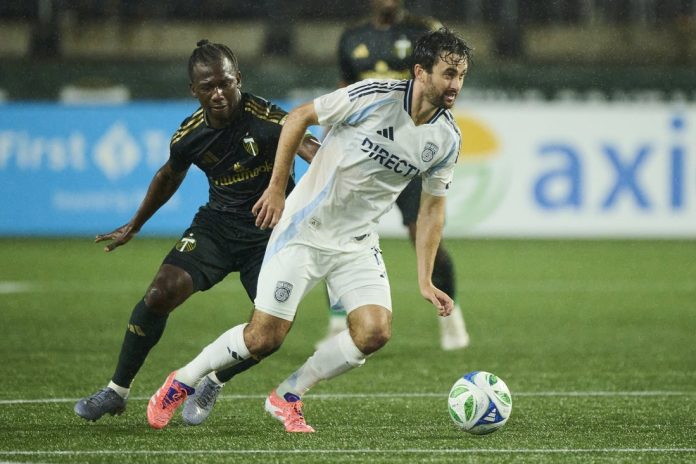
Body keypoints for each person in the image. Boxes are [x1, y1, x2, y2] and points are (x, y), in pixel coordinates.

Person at [146, 28, 472, 433]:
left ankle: (288, 394)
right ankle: (183, 380)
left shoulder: (446, 138)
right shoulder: (373, 96)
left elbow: (433, 208)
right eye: (448, 74)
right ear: (421, 72)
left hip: (357, 241)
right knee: (264, 338)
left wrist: (425, 278)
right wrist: (276, 188)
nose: (456, 85)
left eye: (461, 76)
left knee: (374, 332)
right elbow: (298, 116)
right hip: (305, 228)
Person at [73, 40, 319, 424]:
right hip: (217, 228)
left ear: (239, 79)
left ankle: (214, 379)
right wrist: (136, 223)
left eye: (225, 83)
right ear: (194, 90)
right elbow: (169, 175)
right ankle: (116, 391)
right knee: (159, 293)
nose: (218, 93)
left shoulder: (267, 118)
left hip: (270, 236)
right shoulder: (190, 135)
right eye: (208, 86)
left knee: (269, 334)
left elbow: (309, 147)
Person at [321, 0, 469, 351]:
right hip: (361, 152)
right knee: (334, 234)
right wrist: (328, 144)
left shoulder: (425, 30)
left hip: (408, 153)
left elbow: (443, 86)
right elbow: (344, 88)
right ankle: (337, 322)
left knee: (425, 235)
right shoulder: (352, 36)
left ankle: (451, 317)